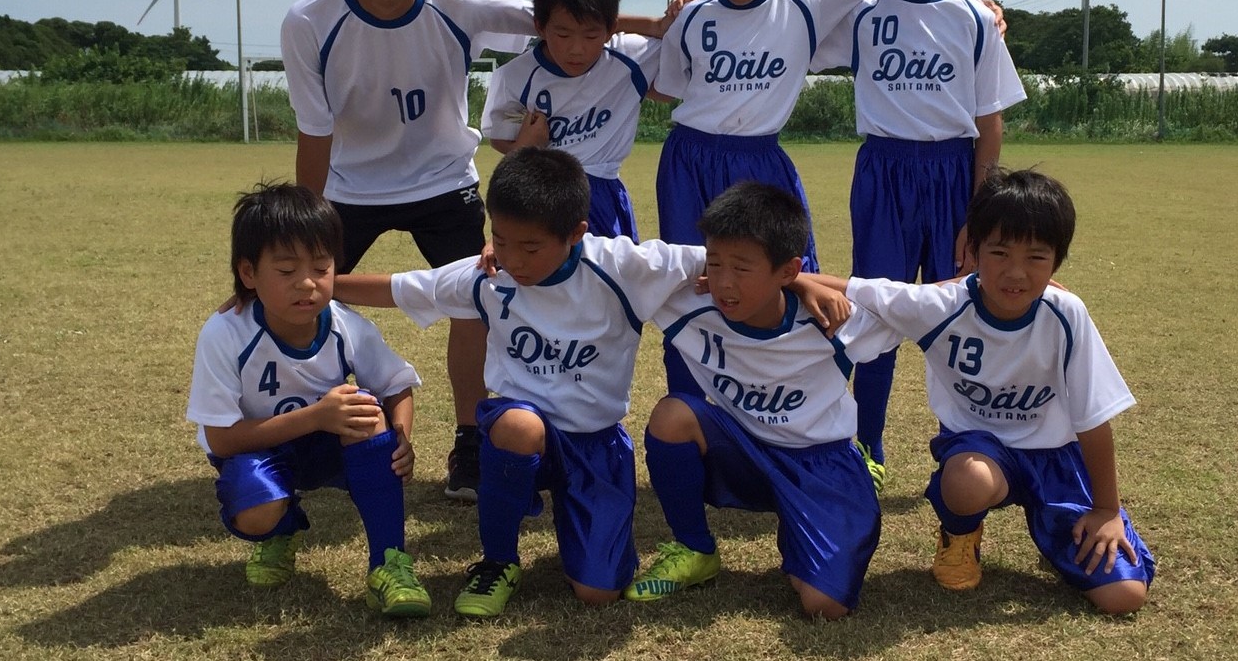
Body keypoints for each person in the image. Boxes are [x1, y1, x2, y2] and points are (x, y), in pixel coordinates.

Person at [333, 148, 710, 618]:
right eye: (501, 240)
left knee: (597, 592)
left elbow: (719, 259)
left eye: (530, 248)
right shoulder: (489, 274)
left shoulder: (622, 266)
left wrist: (793, 281)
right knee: (516, 425)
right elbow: (403, 287)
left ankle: (589, 542)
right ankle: (498, 561)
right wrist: (321, 285)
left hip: (596, 443)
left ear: (576, 233)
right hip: (521, 429)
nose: (513, 259)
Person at [280, 0, 536, 501]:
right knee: (297, 300)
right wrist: (303, 232)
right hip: (349, 188)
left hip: (443, 181)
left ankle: (472, 444)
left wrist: (664, 22)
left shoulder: (460, 4)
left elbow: (564, 17)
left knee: (473, 301)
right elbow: (315, 132)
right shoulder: (308, 21)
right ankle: (304, 435)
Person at [816, 168, 1154, 614]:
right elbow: (854, 289)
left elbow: (1093, 418)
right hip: (978, 452)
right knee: (967, 482)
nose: (1016, 272)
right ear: (972, 250)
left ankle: (1061, 536)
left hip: (1054, 455)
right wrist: (796, 279)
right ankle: (959, 535)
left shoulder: (1066, 313)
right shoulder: (942, 306)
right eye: (999, 253)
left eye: (1036, 257)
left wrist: (1107, 510)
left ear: (1057, 261)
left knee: (1123, 597)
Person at [814, 0, 1027, 479]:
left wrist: (979, 215)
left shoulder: (976, 18)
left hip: (953, 171)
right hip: (883, 171)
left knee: (958, 311)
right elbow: (780, 17)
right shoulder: (861, 14)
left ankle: (960, 444)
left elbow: (989, 124)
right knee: (876, 311)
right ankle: (864, 447)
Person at [651, 0, 886, 396]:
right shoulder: (693, 16)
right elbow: (667, 88)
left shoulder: (805, 5)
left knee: (793, 278)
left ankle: (797, 404)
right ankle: (693, 406)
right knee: (694, 286)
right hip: (689, 159)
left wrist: (982, 5)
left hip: (760, 159)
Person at [624, 181, 902, 620]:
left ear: (787, 270)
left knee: (823, 604)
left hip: (821, 463)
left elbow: (927, 302)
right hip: (745, 452)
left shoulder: (834, 318)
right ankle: (695, 548)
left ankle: (806, 526)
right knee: (673, 415)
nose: (724, 283)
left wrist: (807, 283)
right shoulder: (689, 302)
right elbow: (600, 261)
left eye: (742, 268)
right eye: (715, 263)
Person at [186, 183, 431, 618]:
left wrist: (400, 438)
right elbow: (221, 439)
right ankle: (280, 528)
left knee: (367, 412)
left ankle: (389, 564)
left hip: (328, 446)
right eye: (286, 270)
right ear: (248, 273)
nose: (307, 283)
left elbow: (395, 385)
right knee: (256, 509)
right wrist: (316, 416)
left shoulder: (344, 324)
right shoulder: (225, 333)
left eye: (321, 267)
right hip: (258, 451)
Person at [481, 0, 664, 241]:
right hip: (544, 195)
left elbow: (682, 31)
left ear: (611, 29)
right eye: (563, 34)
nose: (576, 49)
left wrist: (657, 22)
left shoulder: (629, 58)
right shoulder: (514, 77)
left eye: (591, 35)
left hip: (603, 194)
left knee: (609, 271)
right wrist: (527, 148)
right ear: (540, 27)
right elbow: (500, 138)